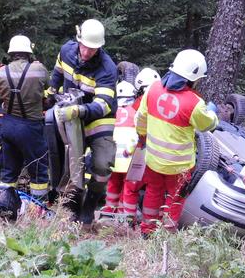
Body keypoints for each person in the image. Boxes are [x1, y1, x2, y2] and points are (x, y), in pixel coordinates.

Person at [135, 50, 218, 237]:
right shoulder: (195, 103)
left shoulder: (152, 89)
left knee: (153, 193)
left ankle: (147, 231)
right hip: (179, 167)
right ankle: (167, 235)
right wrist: (212, 112)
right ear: (194, 77)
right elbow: (207, 125)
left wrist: (142, 137)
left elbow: (140, 119)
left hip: (154, 160)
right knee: (176, 198)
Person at [49, 19, 117, 224]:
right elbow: (57, 74)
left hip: (98, 119)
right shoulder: (66, 51)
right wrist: (50, 93)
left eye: (93, 49)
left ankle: (91, 204)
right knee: (69, 163)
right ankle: (72, 207)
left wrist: (79, 110)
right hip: (71, 116)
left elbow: (103, 105)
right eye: (85, 46)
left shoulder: (107, 68)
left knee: (103, 164)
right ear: (78, 40)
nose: (87, 52)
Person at [0, 35, 49, 200]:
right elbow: (51, 89)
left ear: (11, 53)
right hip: (32, 128)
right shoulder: (39, 69)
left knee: (9, 172)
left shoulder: (1, 72)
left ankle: (6, 206)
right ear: (29, 53)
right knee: (38, 171)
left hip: (8, 127)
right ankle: (40, 209)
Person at [102, 68, 161, 223]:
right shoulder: (137, 111)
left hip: (113, 160)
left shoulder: (114, 112)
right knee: (130, 190)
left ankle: (109, 213)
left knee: (113, 185)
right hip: (131, 160)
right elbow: (139, 135)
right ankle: (126, 220)